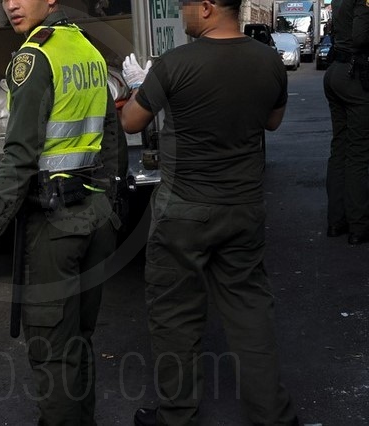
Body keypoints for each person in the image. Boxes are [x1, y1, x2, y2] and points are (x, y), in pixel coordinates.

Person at [120, 1, 299, 425]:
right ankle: (273, 416)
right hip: (243, 208)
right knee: (250, 312)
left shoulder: (174, 64)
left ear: (206, 7)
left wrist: (141, 86)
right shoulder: (269, 61)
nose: (182, 12)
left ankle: (177, 415)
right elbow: (272, 121)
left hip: (183, 213)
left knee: (175, 314)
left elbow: (130, 121)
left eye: (185, 4)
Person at [0, 0, 125, 423]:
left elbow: (19, 157)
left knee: (53, 347)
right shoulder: (87, 48)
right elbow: (112, 138)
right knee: (79, 338)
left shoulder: (35, 57)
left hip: (55, 224)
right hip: (94, 216)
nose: (11, 5)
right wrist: (109, 201)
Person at [323, 0, 369, 245]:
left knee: (339, 147)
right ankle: (359, 226)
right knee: (358, 151)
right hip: (355, 74)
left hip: (336, 70)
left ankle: (336, 221)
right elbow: (360, 37)